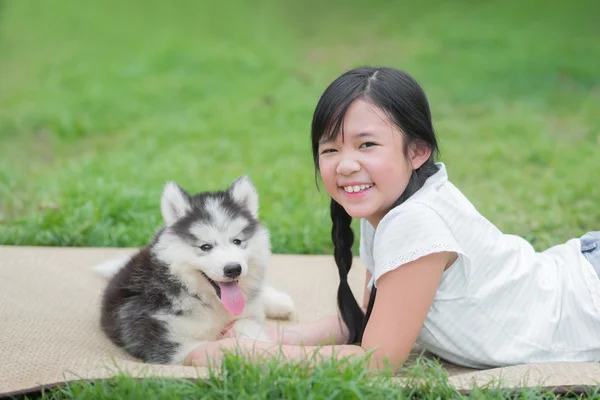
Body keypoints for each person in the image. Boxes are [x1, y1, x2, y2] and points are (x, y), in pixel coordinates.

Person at [184, 66, 600, 372]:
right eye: (330, 149)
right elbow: (371, 322)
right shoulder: (388, 207)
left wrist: (251, 357)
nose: (345, 165)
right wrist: (283, 336)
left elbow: (374, 362)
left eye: (367, 144)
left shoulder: (414, 221)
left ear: (417, 151)